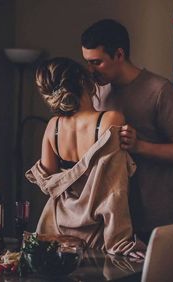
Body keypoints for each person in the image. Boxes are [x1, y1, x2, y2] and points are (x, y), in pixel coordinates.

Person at [81, 19, 173, 243]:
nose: (90, 71)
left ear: (119, 55)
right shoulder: (97, 92)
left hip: (151, 220)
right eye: (87, 62)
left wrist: (139, 146)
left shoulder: (160, 91)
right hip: (108, 218)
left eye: (97, 62)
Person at [25, 57, 146, 258]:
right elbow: (114, 191)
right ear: (83, 80)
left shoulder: (52, 127)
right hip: (96, 231)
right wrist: (120, 239)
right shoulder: (111, 120)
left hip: (57, 227)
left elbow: (47, 182)